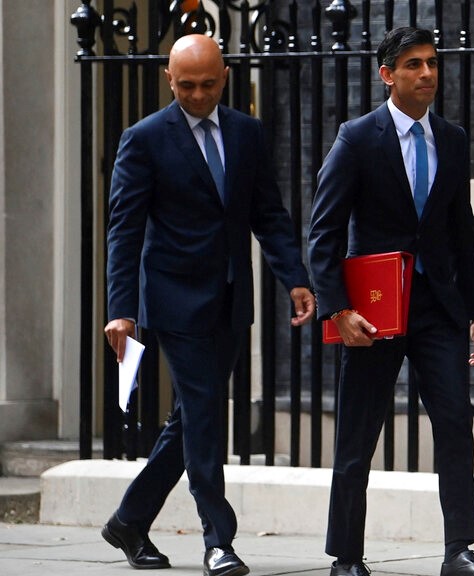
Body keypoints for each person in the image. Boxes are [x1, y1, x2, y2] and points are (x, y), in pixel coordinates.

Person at [102, 33, 315, 576]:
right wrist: (121, 308)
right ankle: (218, 540)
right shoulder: (144, 139)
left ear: (225, 77)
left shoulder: (246, 132)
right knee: (205, 414)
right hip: (174, 301)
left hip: (229, 298)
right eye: (187, 85)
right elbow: (124, 231)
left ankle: (129, 520)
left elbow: (268, 213)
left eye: (208, 84)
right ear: (169, 81)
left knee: (191, 417)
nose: (198, 95)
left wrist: (294, 277)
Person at [307, 26, 474, 576]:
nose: (427, 74)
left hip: (437, 310)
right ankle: (346, 557)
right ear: (387, 75)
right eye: (414, 65)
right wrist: (336, 309)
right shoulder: (357, 138)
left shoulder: (451, 137)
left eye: (432, 63)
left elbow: (459, 230)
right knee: (359, 432)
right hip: (373, 311)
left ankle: (459, 551)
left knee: (453, 425)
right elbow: (323, 233)